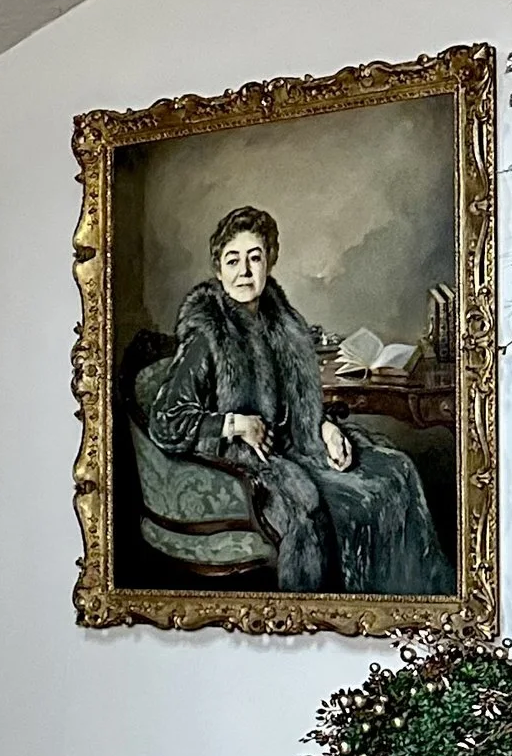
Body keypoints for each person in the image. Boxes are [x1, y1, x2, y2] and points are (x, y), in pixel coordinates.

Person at [145, 206, 451, 595]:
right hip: (252, 466)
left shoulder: (279, 320)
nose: (244, 271)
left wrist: (323, 427)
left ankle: (413, 604)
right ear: (218, 270)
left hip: (296, 445)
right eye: (232, 260)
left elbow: (294, 401)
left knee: (397, 470)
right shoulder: (209, 334)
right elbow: (165, 420)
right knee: (343, 506)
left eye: (254, 258)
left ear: (269, 261)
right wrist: (236, 424)